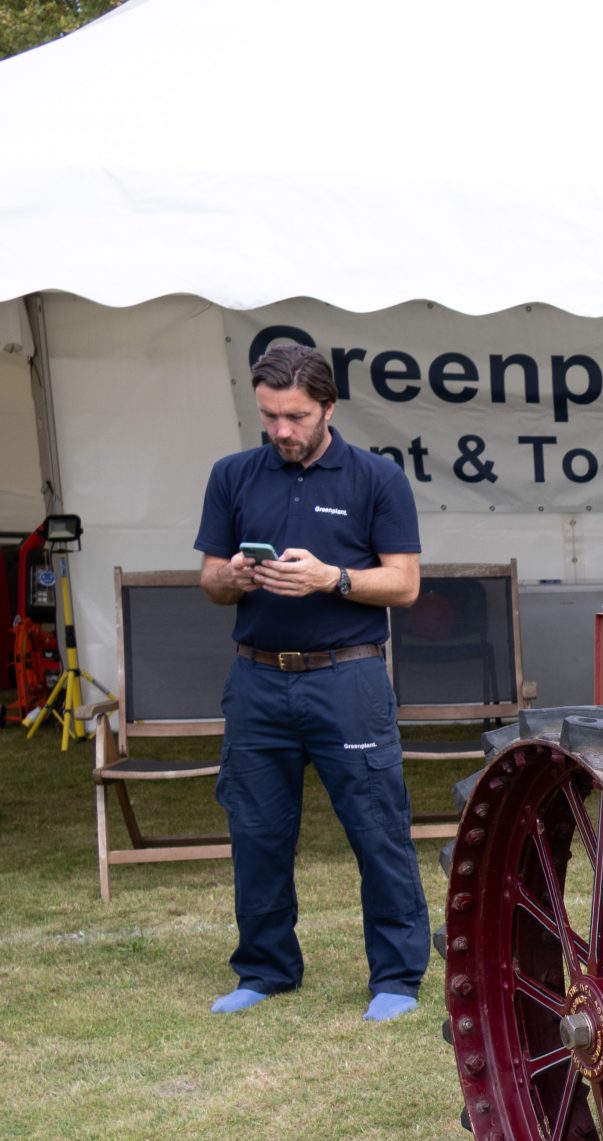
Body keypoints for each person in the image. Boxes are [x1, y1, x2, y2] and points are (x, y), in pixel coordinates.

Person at [194, 341, 430, 1020]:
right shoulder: (233, 475)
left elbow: (406, 583)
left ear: (328, 406)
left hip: (346, 679)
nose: (280, 431)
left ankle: (395, 977)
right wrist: (232, 575)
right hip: (257, 680)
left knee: (376, 827)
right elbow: (208, 579)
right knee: (257, 830)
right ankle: (265, 969)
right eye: (268, 416)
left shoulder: (376, 478)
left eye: (294, 416)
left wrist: (333, 577)